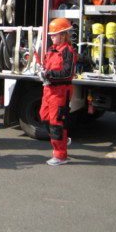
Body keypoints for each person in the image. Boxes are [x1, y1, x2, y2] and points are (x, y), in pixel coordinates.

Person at [38, 18, 78, 166]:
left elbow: (67, 73)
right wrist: (43, 71)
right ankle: (62, 139)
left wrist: (49, 74)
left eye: (54, 35)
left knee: (56, 123)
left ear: (63, 35)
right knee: (44, 117)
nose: (51, 37)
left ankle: (60, 155)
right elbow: (46, 65)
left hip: (60, 92)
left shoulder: (68, 52)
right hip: (48, 90)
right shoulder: (51, 50)